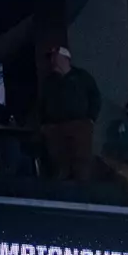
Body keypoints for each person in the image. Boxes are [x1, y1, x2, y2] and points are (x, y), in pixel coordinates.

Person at [38, 47, 102, 181]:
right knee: (58, 160)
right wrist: (44, 124)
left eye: (55, 56)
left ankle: (83, 192)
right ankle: (62, 193)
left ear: (65, 58)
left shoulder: (81, 76)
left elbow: (95, 96)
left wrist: (91, 118)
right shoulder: (49, 81)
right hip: (55, 127)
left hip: (79, 125)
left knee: (81, 160)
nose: (52, 60)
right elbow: (42, 103)